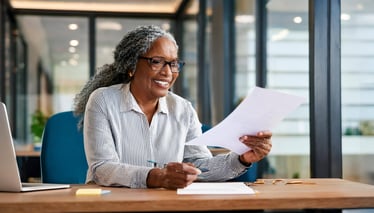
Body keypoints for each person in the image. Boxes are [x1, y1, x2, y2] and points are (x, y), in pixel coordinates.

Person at [73, 25, 272, 189]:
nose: (168, 72)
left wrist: (242, 158)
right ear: (131, 66)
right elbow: (103, 168)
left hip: (166, 205)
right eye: (157, 62)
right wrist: (157, 177)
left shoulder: (183, 109)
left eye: (173, 64)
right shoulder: (103, 100)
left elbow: (201, 167)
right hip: (113, 207)